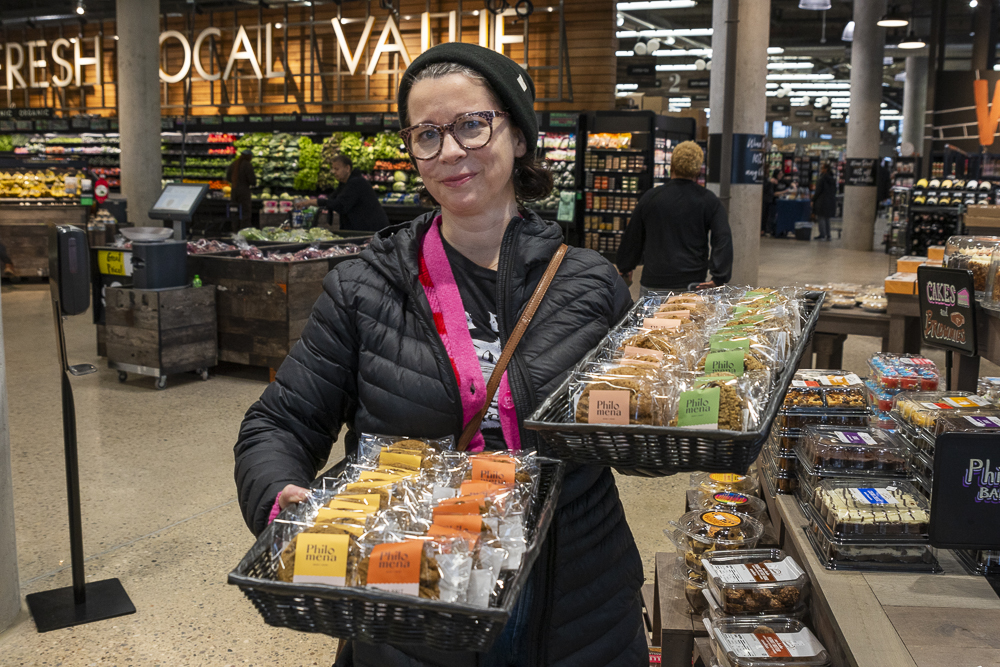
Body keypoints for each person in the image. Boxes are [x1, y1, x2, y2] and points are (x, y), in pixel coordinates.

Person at [234, 42, 647, 667]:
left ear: (519, 134)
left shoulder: (590, 282)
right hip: (413, 595)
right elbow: (280, 422)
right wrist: (278, 495)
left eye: (471, 125)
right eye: (427, 134)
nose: (450, 151)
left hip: (572, 597)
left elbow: (631, 419)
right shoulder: (363, 286)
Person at [616, 141, 733, 295]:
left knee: (650, 318)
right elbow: (722, 237)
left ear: (672, 165)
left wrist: (625, 267)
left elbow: (633, 236)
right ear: (698, 169)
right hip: (692, 283)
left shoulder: (651, 197)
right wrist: (719, 277)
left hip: (654, 281)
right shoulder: (708, 200)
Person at [324, 154, 391, 233]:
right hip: (363, 228)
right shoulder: (343, 184)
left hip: (372, 229)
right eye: (333, 169)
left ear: (347, 168)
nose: (334, 172)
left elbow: (340, 205)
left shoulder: (356, 182)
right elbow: (334, 198)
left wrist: (316, 202)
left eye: (337, 169)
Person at [226, 149, 257, 230]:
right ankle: (244, 229)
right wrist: (253, 184)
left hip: (234, 191)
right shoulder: (247, 165)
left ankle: (235, 229)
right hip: (244, 192)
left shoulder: (234, 164)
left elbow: (228, 177)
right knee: (245, 211)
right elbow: (252, 180)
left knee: (235, 211)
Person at [812, 162, 837, 241]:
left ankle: (822, 234)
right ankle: (828, 235)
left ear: (825, 169)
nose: (821, 170)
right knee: (827, 218)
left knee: (821, 218)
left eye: (822, 168)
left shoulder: (822, 178)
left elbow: (818, 191)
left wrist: (813, 199)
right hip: (830, 200)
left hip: (822, 201)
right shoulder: (832, 179)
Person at [761, 168, 782, 237]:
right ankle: (764, 230)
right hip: (766, 200)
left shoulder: (769, 179)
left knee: (767, 216)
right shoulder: (767, 180)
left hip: (769, 200)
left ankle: (764, 230)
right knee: (765, 216)